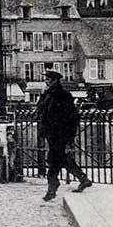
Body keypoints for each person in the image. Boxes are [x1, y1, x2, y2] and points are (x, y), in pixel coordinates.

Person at [37, 69, 92, 201]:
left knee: (54, 161)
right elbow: (40, 109)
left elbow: (72, 117)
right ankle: (83, 179)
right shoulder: (48, 94)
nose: (46, 81)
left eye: (48, 79)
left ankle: (52, 188)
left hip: (60, 133)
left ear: (55, 80)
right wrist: (43, 95)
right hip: (52, 133)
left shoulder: (63, 95)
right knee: (62, 159)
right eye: (45, 79)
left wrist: (69, 137)